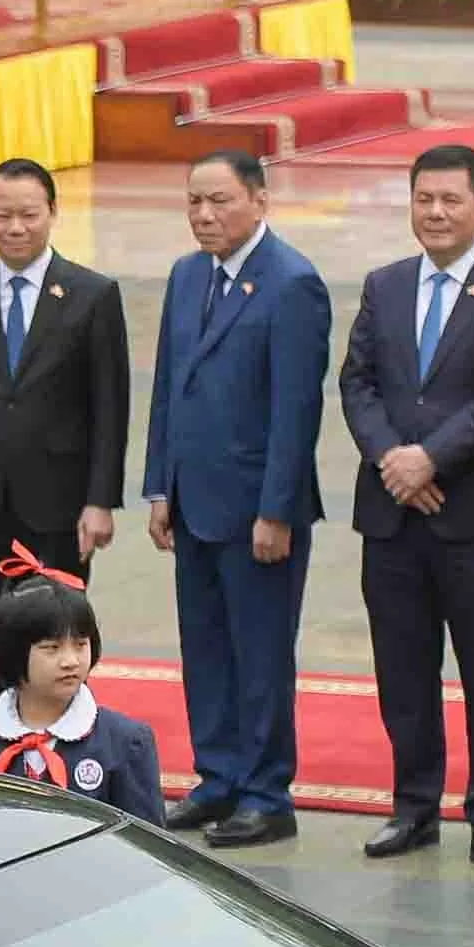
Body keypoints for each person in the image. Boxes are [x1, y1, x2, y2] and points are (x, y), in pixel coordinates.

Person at [341, 141, 474, 864]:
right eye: (423, 198)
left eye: (451, 199)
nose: (435, 212)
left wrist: (430, 458)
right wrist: (392, 459)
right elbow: (357, 383)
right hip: (391, 515)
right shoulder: (384, 284)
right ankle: (413, 805)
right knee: (403, 666)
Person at [141, 148, 331, 847]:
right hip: (193, 501)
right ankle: (217, 777)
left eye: (219, 201)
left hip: (257, 510)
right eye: (194, 201)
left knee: (260, 654)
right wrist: (160, 483)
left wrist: (276, 509)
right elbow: (168, 387)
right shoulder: (187, 276)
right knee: (207, 648)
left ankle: (264, 790)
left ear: (258, 200)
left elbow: (295, 411)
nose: (204, 215)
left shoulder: (291, 284)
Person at [0, 159, 130, 707]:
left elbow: (111, 409)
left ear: (54, 214)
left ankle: (59, 750)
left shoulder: (92, 295)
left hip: (59, 505)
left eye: (29, 215)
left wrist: (100, 501)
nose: (16, 228)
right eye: (2, 215)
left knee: (58, 639)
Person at [0, 562, 167, 817]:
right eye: (52, 648)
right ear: (12, 653)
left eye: (81, 645)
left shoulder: (125, 742)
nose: (71, 660)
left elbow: (144, 845)